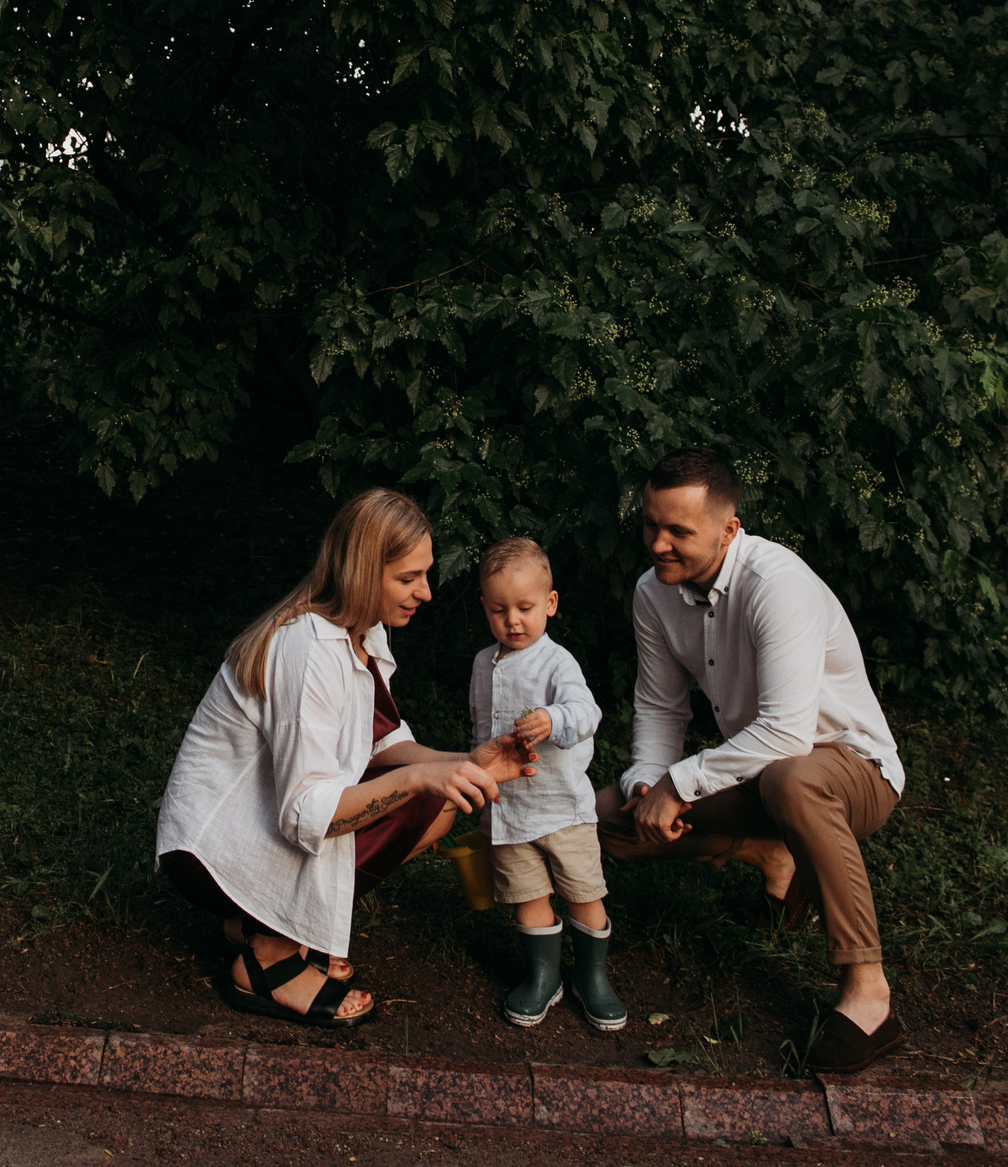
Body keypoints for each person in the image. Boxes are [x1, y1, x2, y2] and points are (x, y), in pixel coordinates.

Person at [155, 488, 534, 1028]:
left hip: (256, 824)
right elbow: (305, 811)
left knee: (436, 801)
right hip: (210, 852)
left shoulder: (360, 633)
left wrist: (468, 762)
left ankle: (260, 922)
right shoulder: (309, 648)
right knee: (421, 797)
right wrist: (421, 778)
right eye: (408, 579)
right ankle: (268, 957)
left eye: (424, 575)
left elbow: (382, 744)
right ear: (361, 571)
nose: (426, 593)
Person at [595, 447, 910, 1073]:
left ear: (728, 529)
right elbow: (660, 709)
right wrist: (644, 784)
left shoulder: (777, 586)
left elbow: (789, 736)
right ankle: (770, 854)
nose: (659, 544)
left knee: (793, 783)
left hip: (849, 770)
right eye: (651, 524)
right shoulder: (653, 593)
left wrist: (681, 783)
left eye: (679, 531)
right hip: (759, 772)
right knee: (603, 818)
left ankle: (868, 993)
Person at [467, 537, 627, 1031]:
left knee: (583, 891)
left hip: (561, 808)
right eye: (500, 610)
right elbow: (479, 728)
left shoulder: (557, 662)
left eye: (525, 607)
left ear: (550, 605)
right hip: (510, 808)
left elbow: (586, 712)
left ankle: (593, 978)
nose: (513, 620)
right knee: (527, 894)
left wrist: (552, 718)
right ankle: (544, 976)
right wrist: (478, 781)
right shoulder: (481, 663)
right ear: (485, 609)